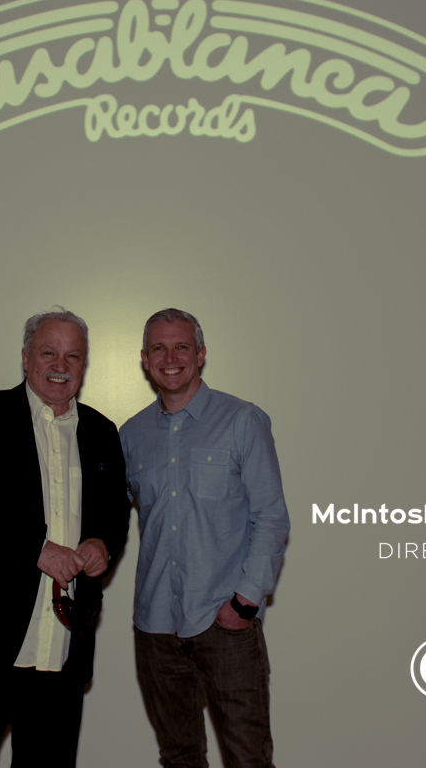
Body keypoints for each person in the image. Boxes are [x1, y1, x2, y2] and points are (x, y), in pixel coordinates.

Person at [0, 308, 130, 768]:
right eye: (48, 353)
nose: (61, 365)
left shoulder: (102, 432)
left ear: (84, 364)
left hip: (62, 652)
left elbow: (114, 515)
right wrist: (37, 550)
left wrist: (102, 545)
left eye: (73, 356)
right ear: (25, 358)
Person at [121, 308, 290, 768]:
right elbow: (110, 519)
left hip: (225, 623)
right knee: (179, 757)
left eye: (181, 347)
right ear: (144, 359)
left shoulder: (242, 421)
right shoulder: (130, 436)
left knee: (248, 759)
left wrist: (245, 603)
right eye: (158, 348)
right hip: (156, 627)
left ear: (200, 354)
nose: (170, 358)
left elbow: (271, 517)